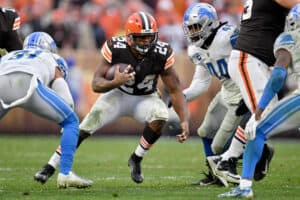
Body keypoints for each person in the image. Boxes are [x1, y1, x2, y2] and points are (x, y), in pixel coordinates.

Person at [33, 11, 190, 184]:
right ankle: (50, 166)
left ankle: (136, 158)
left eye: (149, 37)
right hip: (117, 95)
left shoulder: (162, 52)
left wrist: (184, 120)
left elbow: (175, 89)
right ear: (129, 38)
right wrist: (116, 81)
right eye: (141, 38)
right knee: (84, 128)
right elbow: (96, 84)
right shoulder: (116, 47)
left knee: (161, 116)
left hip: (145, 98)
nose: (146, 42)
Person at [207, 0, 298, 186]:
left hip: (258, 61)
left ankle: (235, 157)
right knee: (266, 116)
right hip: (249, 59)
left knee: (265, 114)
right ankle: (227, 160)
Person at [0, 31, 92, 188]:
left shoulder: (12, 54)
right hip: (27, 82)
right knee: (71, 121)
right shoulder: (52, 58)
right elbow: (61, 87)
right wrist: (69, 118)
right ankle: (65, 174)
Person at [168, 3, 245, 186]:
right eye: (190, 28)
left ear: (209, 23)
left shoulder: (229, 36)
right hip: (226, 91)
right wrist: (181, 96)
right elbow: (201, 83)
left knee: (219, 146)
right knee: (205, 131)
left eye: (196, 27)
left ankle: (247, 158)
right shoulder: (196, 50)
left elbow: (252, 58)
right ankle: (215, 175)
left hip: (242, 92)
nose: (193, 32)